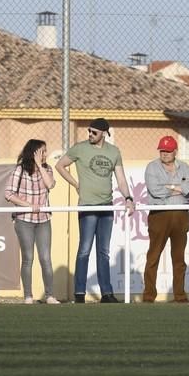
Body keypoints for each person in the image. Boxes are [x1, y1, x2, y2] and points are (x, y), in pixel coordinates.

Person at [55, 118, 135, 303]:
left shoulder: (113, 151)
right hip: (88, 206)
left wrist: (128, 198)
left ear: (104, 133)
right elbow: (60, 165)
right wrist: (76, 184)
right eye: (89, 131)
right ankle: (80, 293)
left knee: (104, 251)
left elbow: (121, 179)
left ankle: (106, 293)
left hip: (107, 206)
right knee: (84, 250)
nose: (90, 135)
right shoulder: (80, 148)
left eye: (94, 132)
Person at [143, 136, 189, 303]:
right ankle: (149, 296)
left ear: (175, 151)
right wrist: (177, 188)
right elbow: (154, 190)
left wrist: (168, 187)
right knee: (153, 256)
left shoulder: (185, 167)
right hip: (160, 215)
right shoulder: (152, 167)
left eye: (168, 150)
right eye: (162, 150)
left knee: (179, 258)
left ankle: (180, 296)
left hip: (181, 215)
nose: (164, 154)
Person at [6, 138, 59, 305]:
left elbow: (50, 184)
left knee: (45, 257)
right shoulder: (20, 170)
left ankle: (49, 295)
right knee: (28, 257)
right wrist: (29, 205)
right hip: (24, 219)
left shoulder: (47, 169)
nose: (45, 154)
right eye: (42, 151)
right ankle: (28, 296)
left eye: (45, 151)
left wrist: (40, 165)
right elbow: (9, 194)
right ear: (33, 152)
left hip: (43, 220)